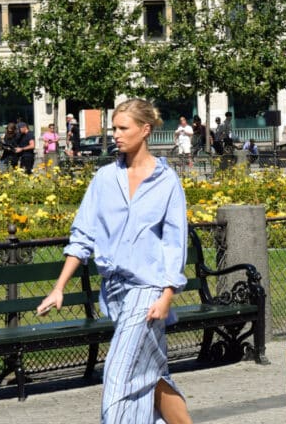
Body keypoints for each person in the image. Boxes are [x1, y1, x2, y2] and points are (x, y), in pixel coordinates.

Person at [36, 99, 192, 423]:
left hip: (148, 291)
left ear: (145, 130)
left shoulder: (167, 182)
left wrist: (166, 295)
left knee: (119, 375)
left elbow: (174, 245)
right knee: (153, 375)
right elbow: (83, 236)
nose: (116, 135)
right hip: (115, 293)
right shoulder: (105, 179)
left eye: (124, 128)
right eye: (114, 128)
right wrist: (58, 287)